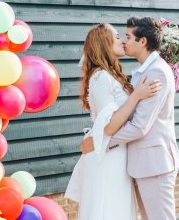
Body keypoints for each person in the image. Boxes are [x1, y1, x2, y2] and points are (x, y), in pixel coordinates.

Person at [80, 17, 179, 220]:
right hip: (139, 163)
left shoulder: (156, 73)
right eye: (120, 37)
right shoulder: (138, 73)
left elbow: (139, 127)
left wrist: (100, 142)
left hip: (154, 162)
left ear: (142, 41)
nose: (124, 41)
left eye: (126, 36)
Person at [65, 23, 162, 220]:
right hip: (105, 156)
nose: (123, 41)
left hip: (114, 152)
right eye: (117, 36)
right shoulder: (100, 77)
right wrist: (136, 96)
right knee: (106, 208)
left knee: (117, 207)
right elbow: (108, 126)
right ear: (104, 43)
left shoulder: (111, 75)